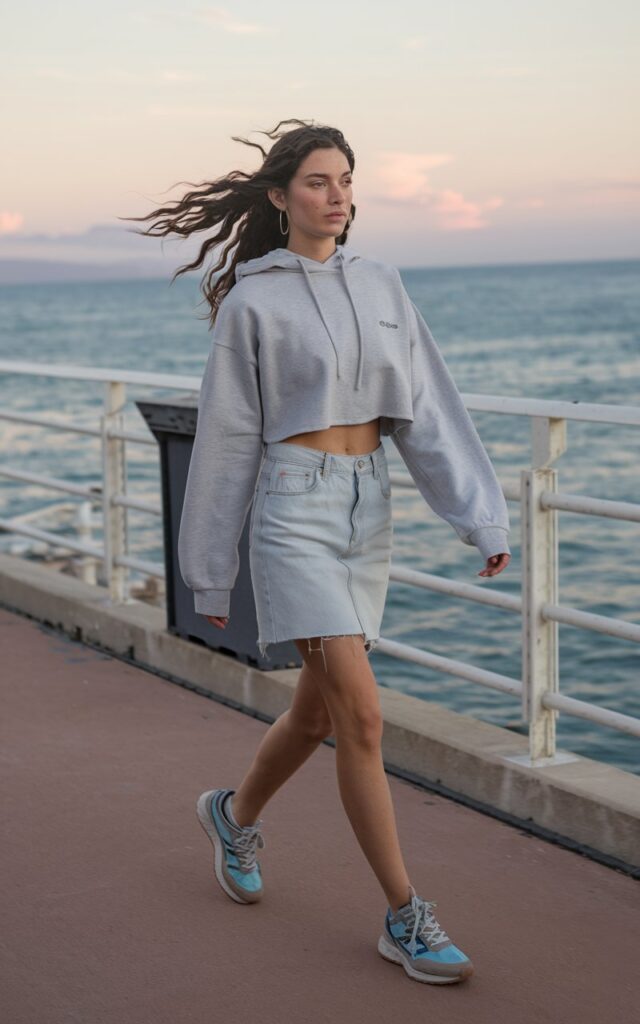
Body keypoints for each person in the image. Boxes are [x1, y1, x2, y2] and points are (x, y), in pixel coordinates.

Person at [125, 118, 511, 986]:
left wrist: (478, 515)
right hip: (293, 510)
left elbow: (430, 408)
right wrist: (210, 567)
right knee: (363, 718)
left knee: (316, 711)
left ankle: (231, 814)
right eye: (317, 183)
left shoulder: (382, 283)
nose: (336, 197)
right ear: (279, 197)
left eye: (344, 182)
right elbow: (225, 439)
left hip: (369, 505)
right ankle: (405, 916)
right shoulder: (253, 300)